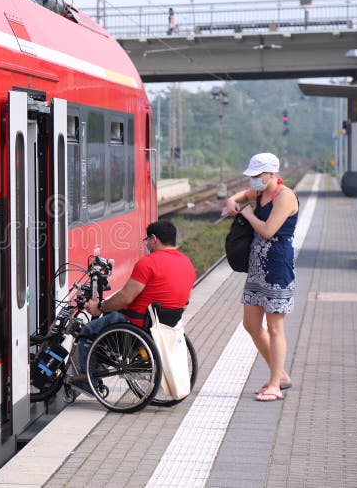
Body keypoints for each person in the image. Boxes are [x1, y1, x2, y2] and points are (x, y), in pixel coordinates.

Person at [73, 220, 196, 391]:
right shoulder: (187, 264)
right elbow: (184, 303)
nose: (147, 244)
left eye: (147, 240)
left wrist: (99, 307)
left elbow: (125, 297)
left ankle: (89, 380)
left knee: (87, 333)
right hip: (164, 327)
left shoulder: (148, 263)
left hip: (136, 324)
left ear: (154, 239)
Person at [224, 153, 298, 402]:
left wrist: (248, 216)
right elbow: (242, 196)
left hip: (277, 268)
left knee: (275, 327)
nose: (254, 180)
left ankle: (275, 383)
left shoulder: (284, 196)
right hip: (257, 268)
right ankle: (281, 376)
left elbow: (267, 231)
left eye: (257, 175)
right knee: (251, 325)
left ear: (270, 174)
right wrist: (231, 200)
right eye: (252, 176)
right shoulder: (260, 192)